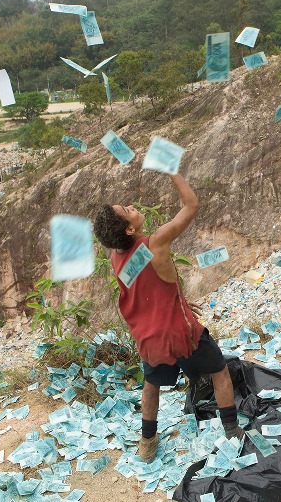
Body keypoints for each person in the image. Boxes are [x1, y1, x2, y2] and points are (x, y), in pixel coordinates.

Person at [93, 173, 242, 462]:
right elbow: (191, 205)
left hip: (150, 339)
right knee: (219, 370)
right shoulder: (155, 243)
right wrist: (172, 171)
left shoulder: (116, 257)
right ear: (129, 229)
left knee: (152, 385)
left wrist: (178, 302)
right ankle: (231, 429)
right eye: (127, 210)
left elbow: (148, 288)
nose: (132, 206)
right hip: (179, 333)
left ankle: (147, 441)